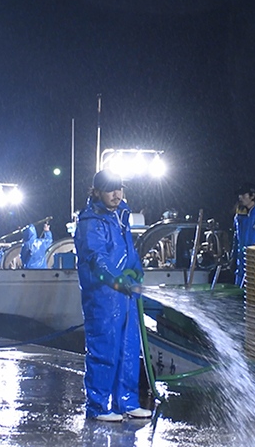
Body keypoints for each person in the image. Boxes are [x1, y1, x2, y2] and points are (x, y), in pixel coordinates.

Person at [74, 170, 152, 422]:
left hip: (125, 295)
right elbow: (97, 259)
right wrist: (117, 281)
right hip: (103, 296)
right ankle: (97, 405)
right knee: (104, 349)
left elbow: (128, 250)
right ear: (96, 192)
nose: (116, 194)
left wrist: (136, 271)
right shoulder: (90, 222)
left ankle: (127, 401)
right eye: (110, 189)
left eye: (119, 188)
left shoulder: (121, 216)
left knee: (128, 350)